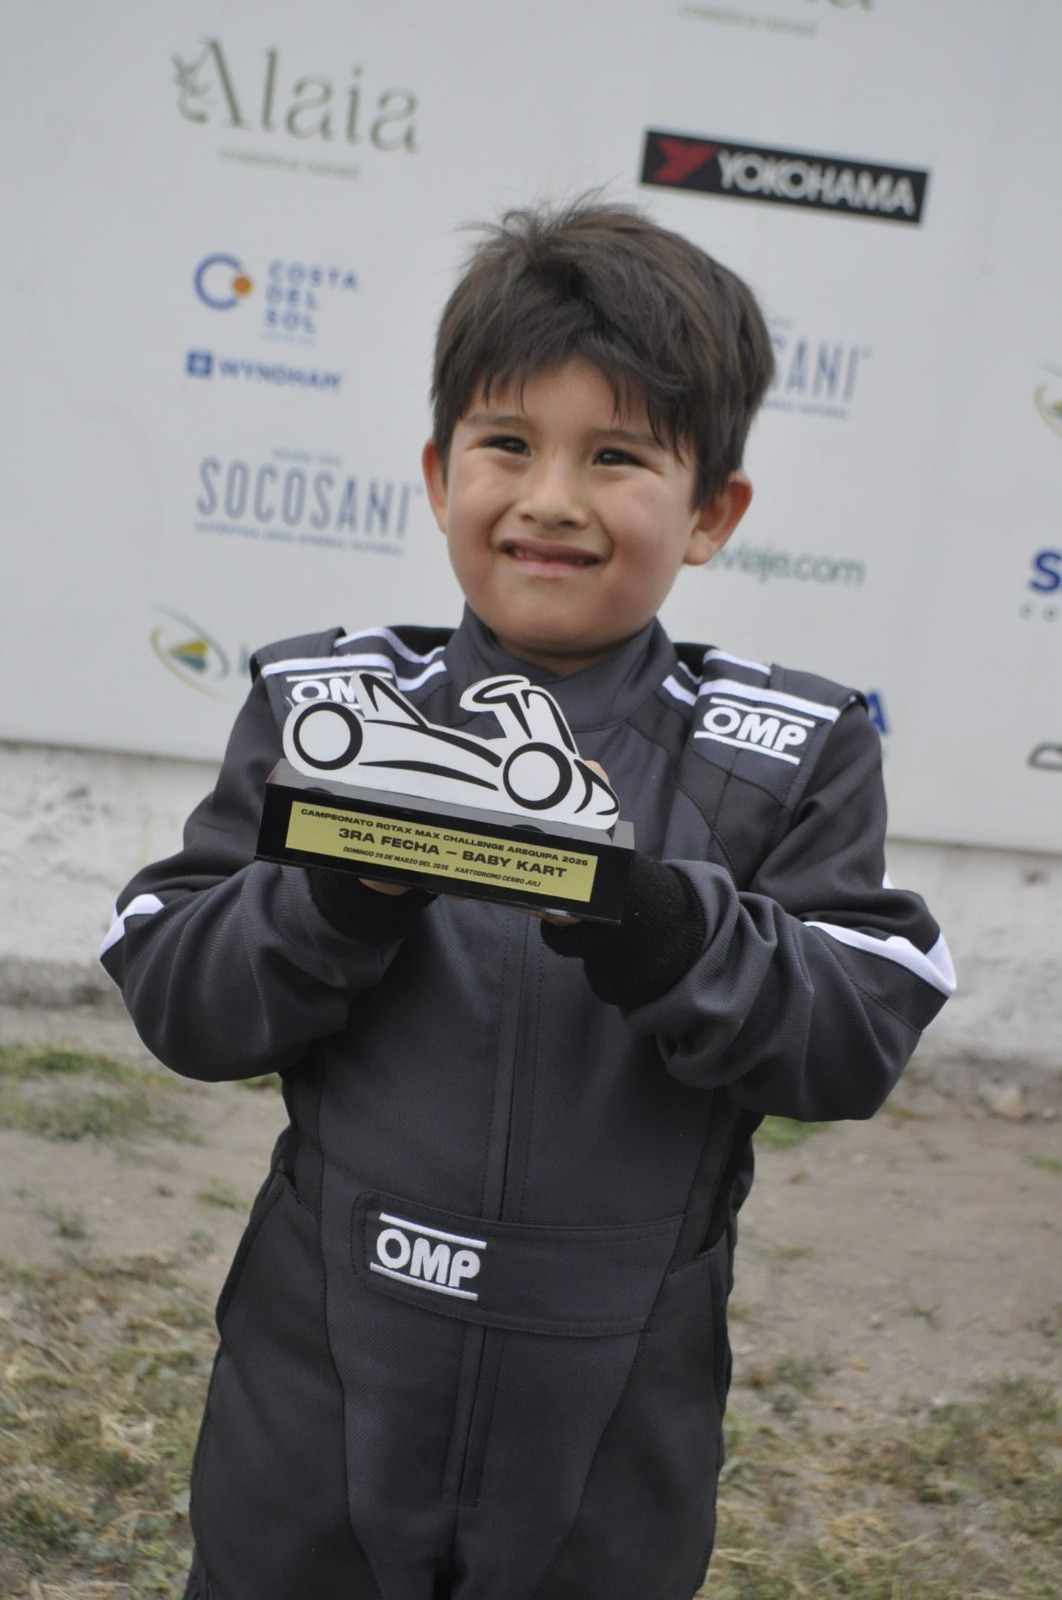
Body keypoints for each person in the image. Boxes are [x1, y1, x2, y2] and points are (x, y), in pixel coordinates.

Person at [100, 200, 954, 1600]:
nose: (549, 499)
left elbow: (857, 1032)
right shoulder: (328, 702)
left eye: (616, 456)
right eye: (507, 445)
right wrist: (332, 900)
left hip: (617, 1399)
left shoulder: (790, 752)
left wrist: (672, 932)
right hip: (317, 1378)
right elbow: (181, 998)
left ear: (711, 512)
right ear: (438, 476)